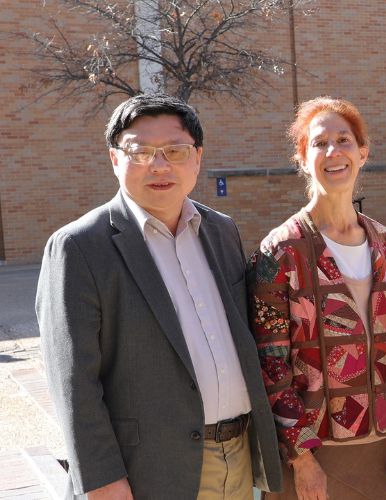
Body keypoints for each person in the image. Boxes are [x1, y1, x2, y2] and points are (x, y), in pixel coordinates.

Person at [36, 93, 283, 499]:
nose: (159, 164)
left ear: (197, 158)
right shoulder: (79, 246)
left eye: (175, 150)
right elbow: (73, 383)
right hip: (147, 471)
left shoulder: (222, 230)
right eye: (141, 151)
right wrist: (102, 482)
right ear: (115, 159)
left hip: (236, 458)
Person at [248, 97, 386, 500]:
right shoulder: (280, 252)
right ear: (302, 159)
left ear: (363, 152)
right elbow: (270, 367)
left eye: (343, 140)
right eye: (319, 143)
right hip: (312, 461)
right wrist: (303, 461)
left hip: (385, 453)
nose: (333, 152)